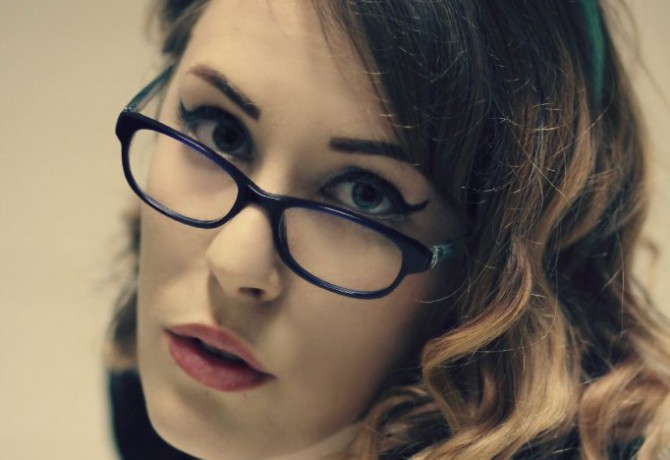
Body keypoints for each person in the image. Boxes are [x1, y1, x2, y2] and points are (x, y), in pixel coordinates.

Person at [107, 0, 670, 458]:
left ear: (493, 277)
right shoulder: (150, 410)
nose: (235, 262)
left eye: (365, 195)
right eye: (222, 132)